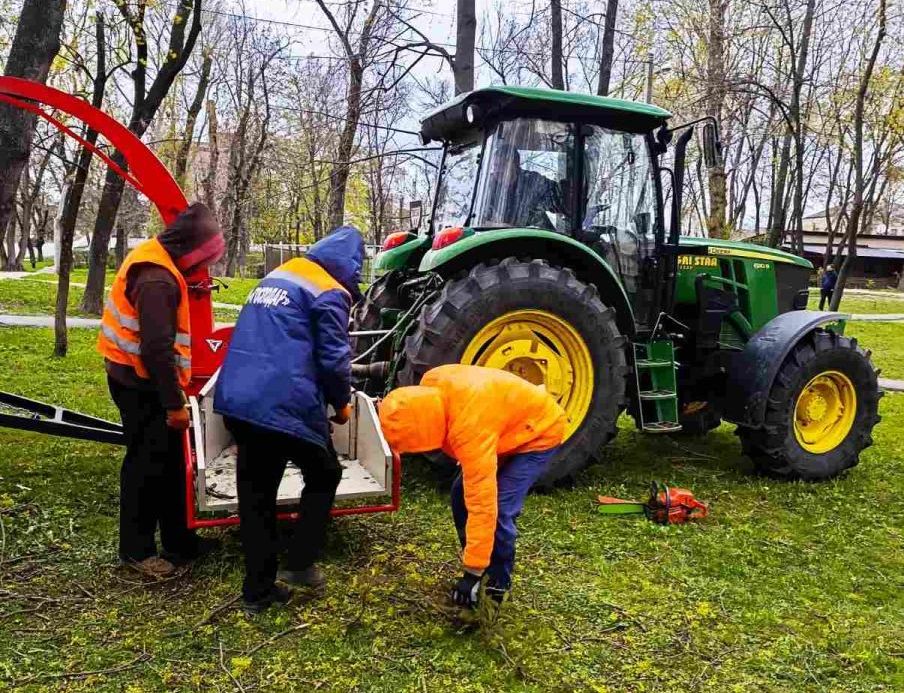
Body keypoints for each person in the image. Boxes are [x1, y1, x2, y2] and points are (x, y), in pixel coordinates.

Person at [214, 226, 364, 614]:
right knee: (325, 472)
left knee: (257, 496)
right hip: (280, 403)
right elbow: (334, 360)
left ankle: (257, 592)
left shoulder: (280, 274)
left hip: (237, 398)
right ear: (350, 267)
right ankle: (298, 563)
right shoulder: (329, 291)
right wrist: (340, 404)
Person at [98, 203, 225, 579]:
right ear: (192, 251)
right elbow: (156, 350)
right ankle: (136, 552)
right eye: (206, 260)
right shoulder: (158, 279)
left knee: (172, 464)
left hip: (145, 380)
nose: (205, 269)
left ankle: (180, 542)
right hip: (140, 385)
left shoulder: (163, 263)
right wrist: (173, 405)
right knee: (146, 466)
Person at [378, 365, 566, 608]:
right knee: (459, 495)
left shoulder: (469, 430)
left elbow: (482, 505)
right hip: (504, 423)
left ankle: (495, 586)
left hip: (539, 430)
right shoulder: (432, 384)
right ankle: (479, 558)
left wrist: (471, 574)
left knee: (499, 508)